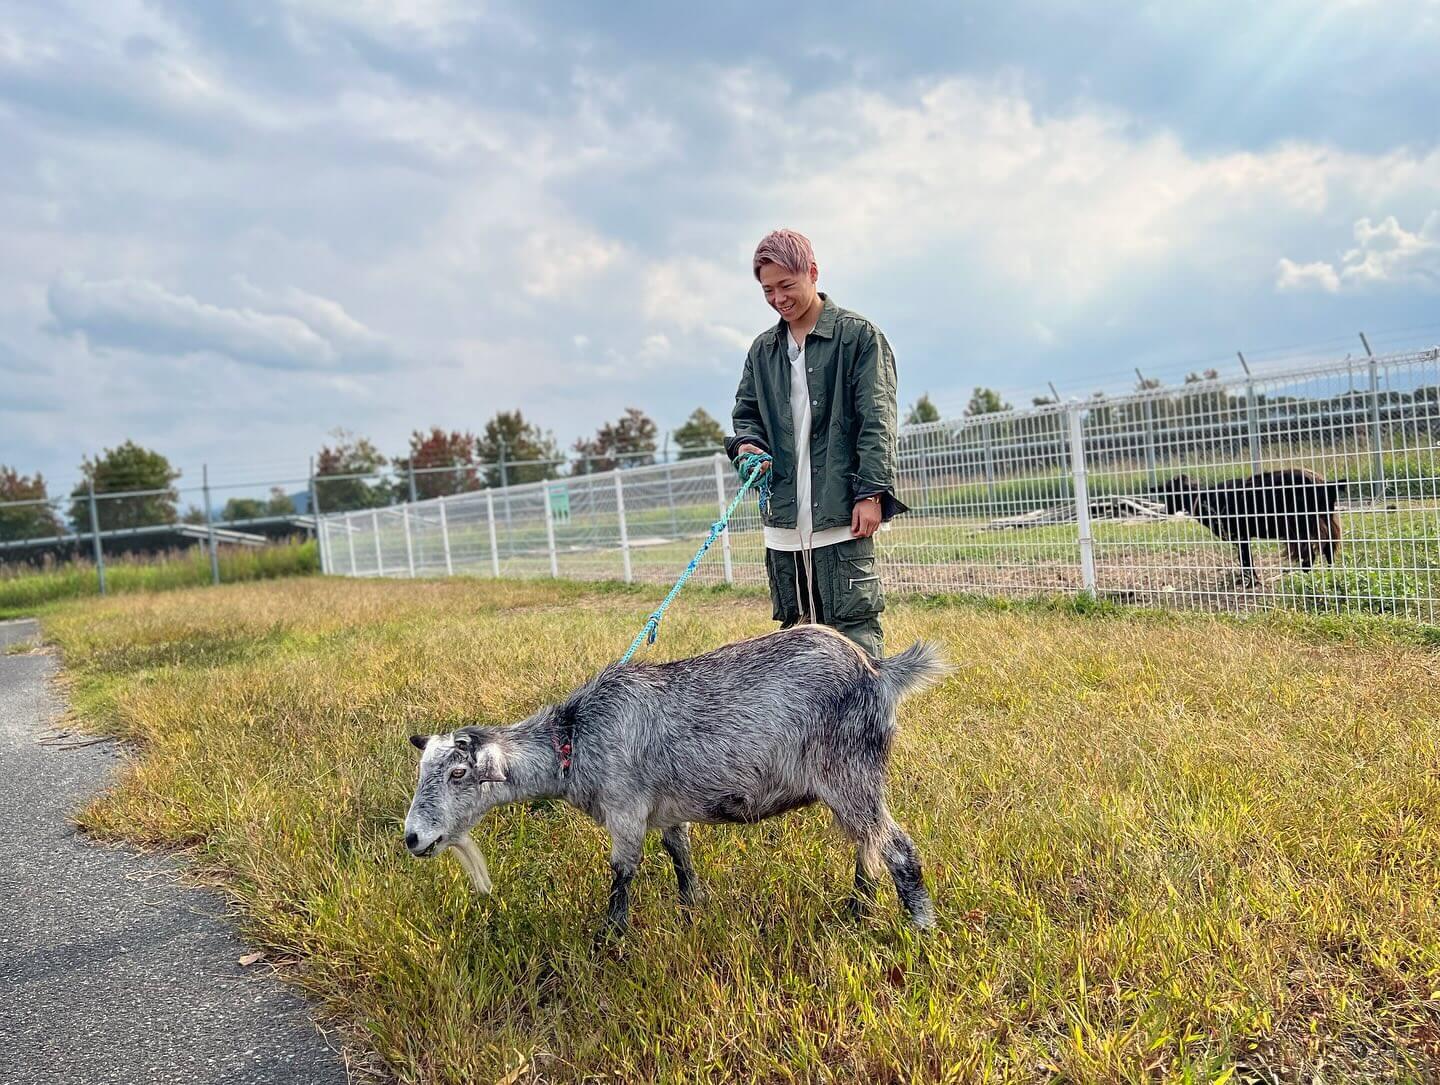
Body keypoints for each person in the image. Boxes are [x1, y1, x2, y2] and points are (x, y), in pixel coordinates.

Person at [725, 229, 907, 658]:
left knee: (853, 632)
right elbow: (745, 415)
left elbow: (877, 421)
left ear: (812, 272)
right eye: (767, 290)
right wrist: (747, 447)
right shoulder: (762, 351)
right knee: (795, 642)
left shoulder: (859, 337)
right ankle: (811, 728)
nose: (778, 298)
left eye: (786, 286)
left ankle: (867, 723)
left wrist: (871, 493)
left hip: (841, 510)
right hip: (784, 519)